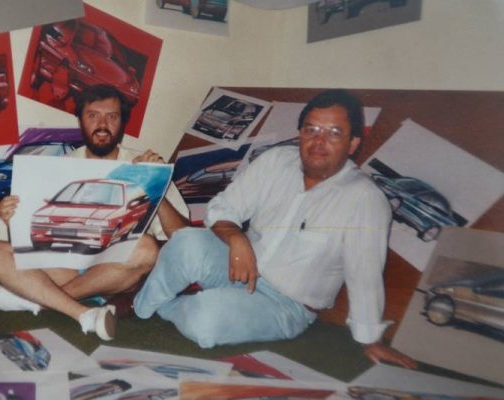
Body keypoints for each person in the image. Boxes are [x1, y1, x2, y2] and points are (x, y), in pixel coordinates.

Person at [133, 89, 417, 368]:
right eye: (311, 130)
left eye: (333, 133)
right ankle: (141, 308)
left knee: (206, 320)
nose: (319, 141)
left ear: (353, 143)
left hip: (286, 306)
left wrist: (370, 340)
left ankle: (172, 307)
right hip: (240, 267)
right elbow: (222, 208)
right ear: (300, 134)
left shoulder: (365, 199)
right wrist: (235, 238)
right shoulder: (276, 161)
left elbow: (364, 274)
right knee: (186, 241)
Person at [0, 84, 189, 340]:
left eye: (112, 117)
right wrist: (12, 217)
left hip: (115, 271)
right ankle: (82, 312)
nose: (102, 125)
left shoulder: (144, 164)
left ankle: (41, 300)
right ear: (80, 120)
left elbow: (183, 237)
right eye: (93, 115)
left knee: (146, 248)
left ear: (122, 123)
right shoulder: (55, 168)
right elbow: (26, 242)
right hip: (62, 264)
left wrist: (154, 183)